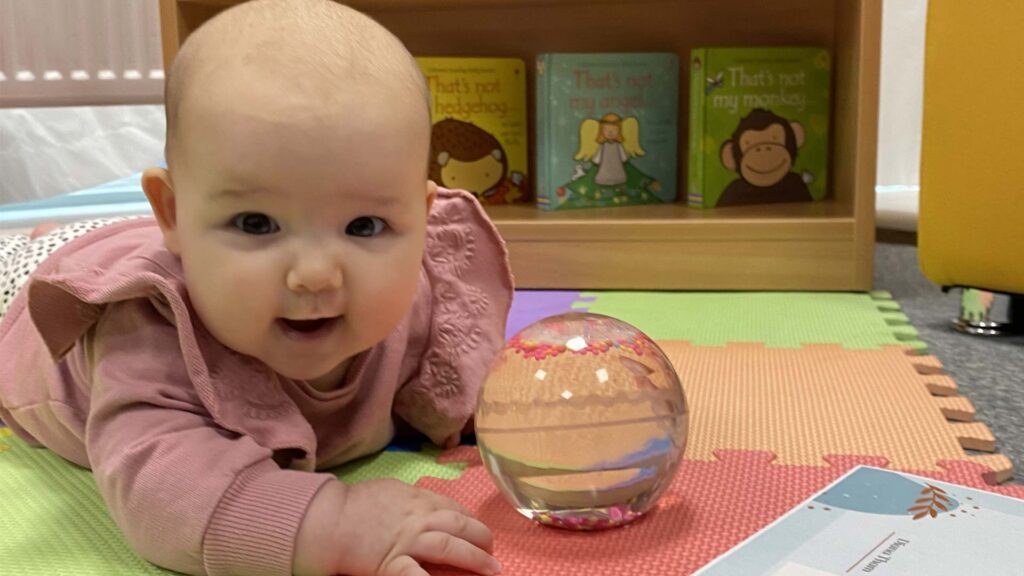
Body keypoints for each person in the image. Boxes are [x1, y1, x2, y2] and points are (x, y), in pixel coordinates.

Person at [0, 1, 512, 575]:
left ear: (420, 220)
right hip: (44, 288)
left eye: (364, 226)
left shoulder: (415, 299)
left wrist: (497, 406)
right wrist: (334, 525)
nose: (316, 273)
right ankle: (47, 236)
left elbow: (456, 374)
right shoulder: (146, 337)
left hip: (162, 238)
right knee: (23, 259)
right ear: (173, 212)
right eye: (256, 223)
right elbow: (162, 497)